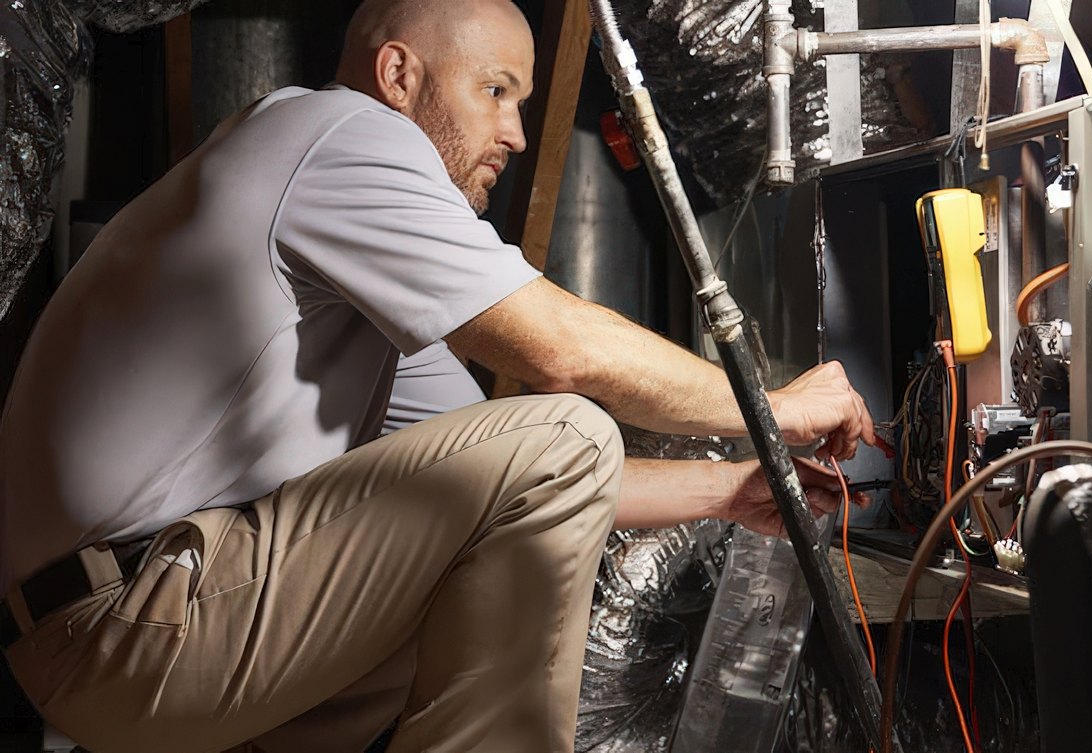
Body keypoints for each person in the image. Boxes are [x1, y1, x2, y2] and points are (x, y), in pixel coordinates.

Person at [0, 0, 876, 751]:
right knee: (569, 427)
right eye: (495, 90)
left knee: (521, 507)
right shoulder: (334, 135)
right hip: (127, 622)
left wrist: (729, 487)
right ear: (397, 75)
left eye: (523, 103)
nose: (517, 133)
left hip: (127, 629)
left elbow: (507, 490)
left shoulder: (362, 277)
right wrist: (780, 407)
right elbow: (564, 356)